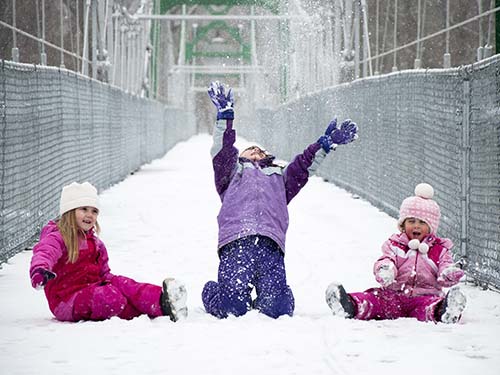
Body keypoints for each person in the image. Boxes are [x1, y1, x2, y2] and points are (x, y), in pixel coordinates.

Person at [202, 81, 358, 319]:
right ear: (240, 157)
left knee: (278, 310)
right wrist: (225, 116)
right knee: (232, 308)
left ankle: (275, 296)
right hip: (236, 242)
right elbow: (223, 149)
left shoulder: (279, 179)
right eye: (249, 150)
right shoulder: (230, 174)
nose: (255, 152)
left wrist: (323, 145)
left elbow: (303, 166)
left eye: (260, 151)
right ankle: (213, 292)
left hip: (270, 244)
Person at [29, 181, 188, 322]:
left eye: (94, 211)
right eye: (84, 209)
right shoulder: (58, 237)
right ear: (70, 211)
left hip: (91, 289)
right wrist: (39, 271)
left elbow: (104, 274)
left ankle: (162, 301)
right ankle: (146, 310)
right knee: (110, 296)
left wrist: (121, 285)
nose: (90, 215)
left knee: (124, 285)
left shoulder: (97, 244)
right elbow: (44, 252)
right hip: (66, 301)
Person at [325, 183, 467, 324]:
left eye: (422, 223)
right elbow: (386, 259)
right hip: (393, 296)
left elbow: (445, 266)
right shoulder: (395, 244)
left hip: (424, 296)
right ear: (403, 224)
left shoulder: (439, 249)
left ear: (430, 228)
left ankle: (444, 311)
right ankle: (349, 305)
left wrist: (449, 273)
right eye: (411, 221)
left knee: (428, 307)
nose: (416, 226)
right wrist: (386, 269)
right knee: (374, 300)